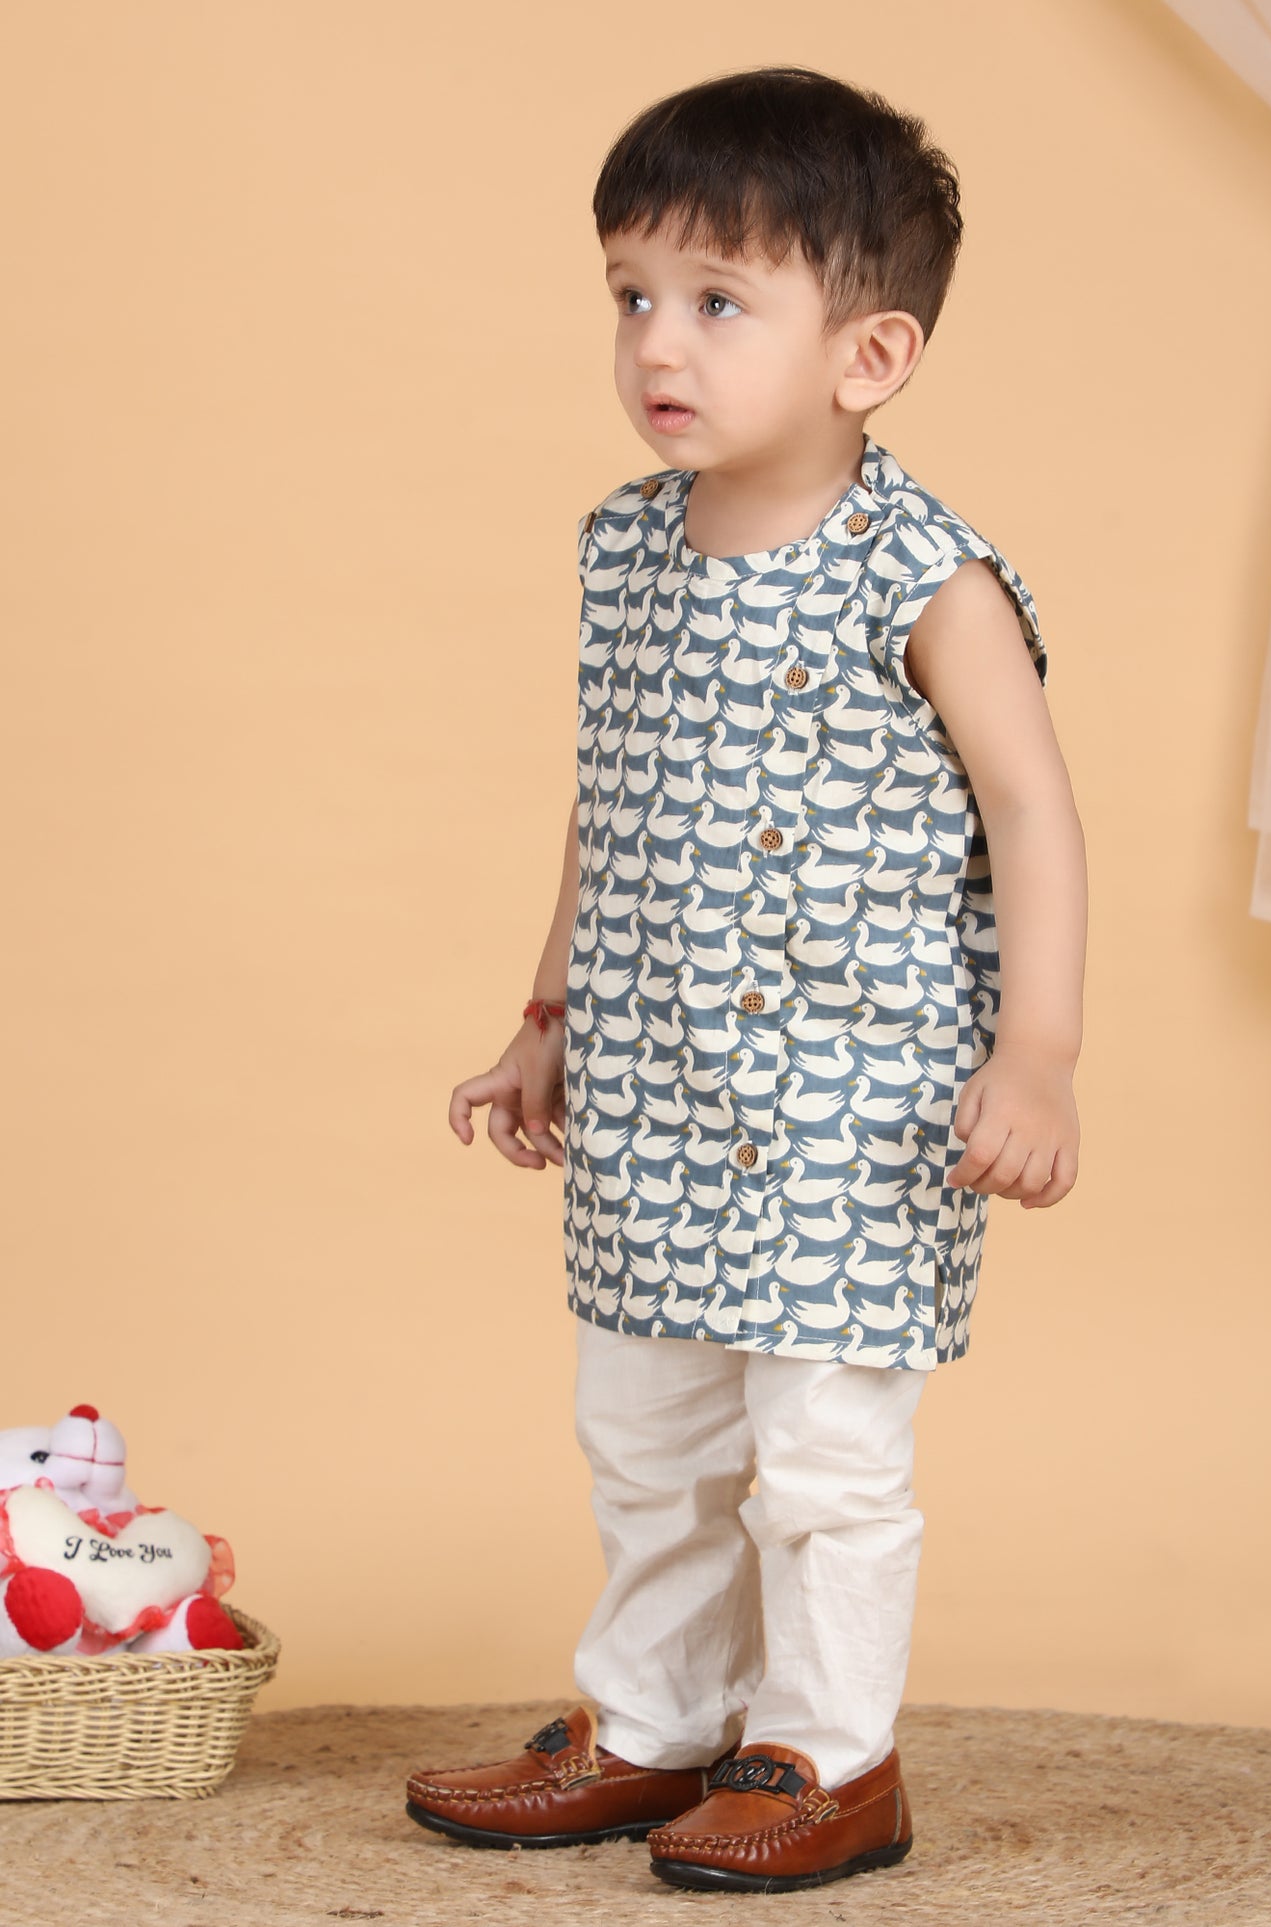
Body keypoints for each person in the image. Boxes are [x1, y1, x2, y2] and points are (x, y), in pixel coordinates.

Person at [403, 64, 1086, 1896]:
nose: (656, 341)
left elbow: (1031, 813)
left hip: (851, 1106)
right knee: (645, 1436)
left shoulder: (919, 577)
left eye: (717, 301)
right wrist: (546, 1019)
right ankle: (652, 1721)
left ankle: (828, 1757)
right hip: (657, 1090)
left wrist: (1036, 1052)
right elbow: (608, 797)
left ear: (868, 355)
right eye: (630, 293)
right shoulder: (626, 545)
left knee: (823, 1456)